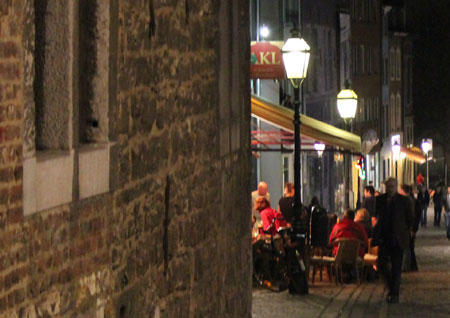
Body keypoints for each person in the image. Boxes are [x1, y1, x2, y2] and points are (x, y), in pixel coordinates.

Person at [373, 177, 414, 304]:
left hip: (398, 238)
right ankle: (392, 286)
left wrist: (406, 231)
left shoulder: (403, 200)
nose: (389, 189)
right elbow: (376, 216)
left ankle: (394, 294)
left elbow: (410, 218)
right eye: (387, 186)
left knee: (396, 267)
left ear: (396, 187)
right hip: (384, 238)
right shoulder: (380, 199)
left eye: (391, 186)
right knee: (381, 263)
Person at [399, 184, 421, 272]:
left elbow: (412, 216)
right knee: (410, 247)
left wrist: (412, 229)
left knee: (407, 247)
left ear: (402, 190)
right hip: (409, 227)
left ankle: (406, 266)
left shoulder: (409, 201)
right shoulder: (411, 200)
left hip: (408, 228)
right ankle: (413, 266)